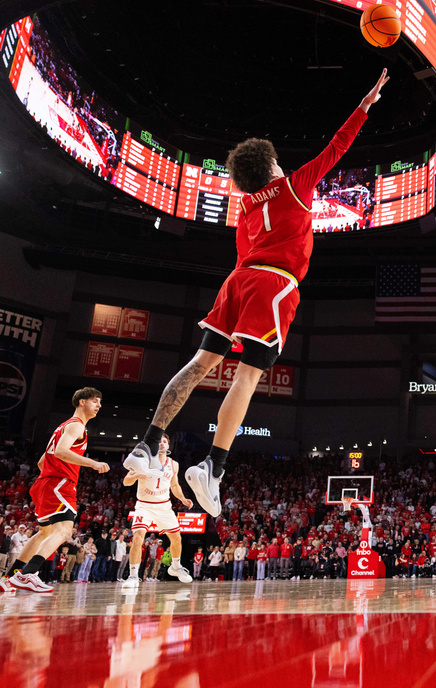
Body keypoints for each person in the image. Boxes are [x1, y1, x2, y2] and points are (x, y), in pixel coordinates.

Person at [121, 70, 391, 519]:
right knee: (246, 377)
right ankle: (213, 465)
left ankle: (147, 442)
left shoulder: (244, 205)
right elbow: (336, 148)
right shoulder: (293, 186)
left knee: (200, 364)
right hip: (273, 284)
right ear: (271, 167)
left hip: (237, 281)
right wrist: (365, 105)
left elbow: (244, 251)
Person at [2, 388, 109, 594]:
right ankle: (28, 574)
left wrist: (52, 475)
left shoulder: (63, 427)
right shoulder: (77, 426)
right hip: (60, 484)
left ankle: (8, 577)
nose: (99, 405)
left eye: (100, 402)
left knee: (44, 533)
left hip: (45, 483)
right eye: (95, 401)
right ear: (81, 402)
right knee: (64, 531)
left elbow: (43, 461)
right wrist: (92, 463)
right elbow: (60, 452)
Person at [122, 435, 194, 588]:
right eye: (159, 440)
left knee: (176, 538)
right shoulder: (142, 460)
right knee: (138, 537)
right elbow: (126, 481)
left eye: (165, 441)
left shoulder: (174, 464)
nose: (161, 443)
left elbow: (174, 486)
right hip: (144, 505)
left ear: (168, 446)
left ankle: (175, 567)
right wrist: (136, 475)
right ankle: (133, 576)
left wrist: (182, 499)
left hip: (164, 506)